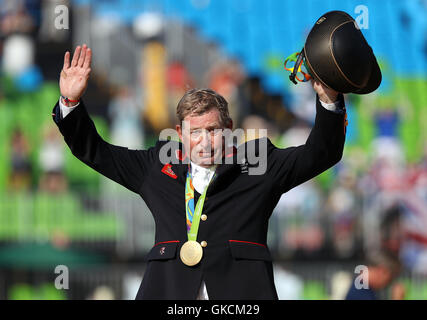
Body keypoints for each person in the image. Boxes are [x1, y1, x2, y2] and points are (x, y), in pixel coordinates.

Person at [52, 44, 347, 299]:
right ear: (180, 133)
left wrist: (329, 99)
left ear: (228, 129)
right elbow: (95, 152)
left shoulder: (260, 164)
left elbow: (321, 154)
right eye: (195, 132)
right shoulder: (157, 166)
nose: (204, 141)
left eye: (213, 130)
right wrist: (70, 102)